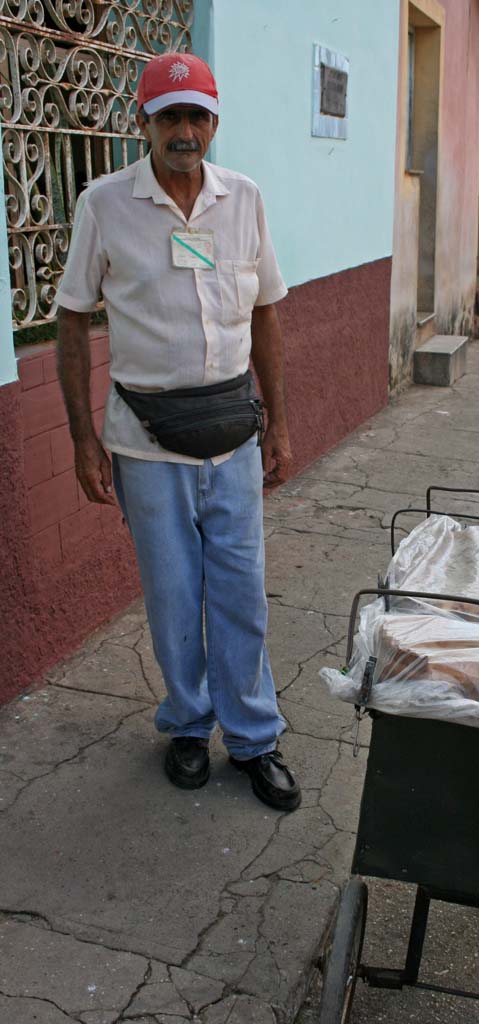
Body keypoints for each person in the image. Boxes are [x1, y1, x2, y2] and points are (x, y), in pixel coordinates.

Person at [55, 53, 301, 812]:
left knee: (240, 595)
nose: (184, 132)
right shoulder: (104, 204)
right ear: (144, 124)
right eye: (169, 118)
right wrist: (81, 440)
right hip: (144, 441)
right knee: (171, 594)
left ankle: (254, 738)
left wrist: (281, 424)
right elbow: (70, 316)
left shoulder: (244, 199)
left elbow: (265, 311)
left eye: (196, 117)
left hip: (233, 432)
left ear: (214, 123)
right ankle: (189, 728)